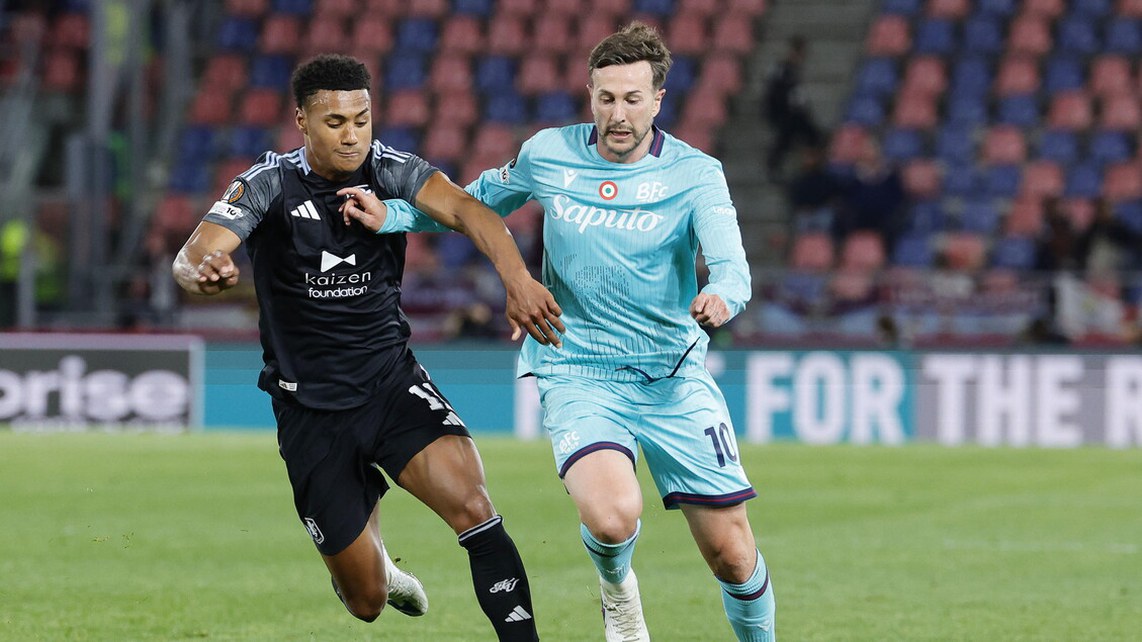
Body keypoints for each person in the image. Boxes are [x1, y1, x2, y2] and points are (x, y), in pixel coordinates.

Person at [347, 23, 777, 642]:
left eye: (633, 99)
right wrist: (392, 214)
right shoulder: (549, 153)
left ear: (658, 100)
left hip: (673, 378)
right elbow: (473, 203)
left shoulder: (696, 173)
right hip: (578, 369)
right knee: (612, 518)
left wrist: (722, 296)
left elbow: (733, 267)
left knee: (733, 557)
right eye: (606, 98)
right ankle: (618, 594)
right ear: (590, 94)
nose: (618, 114)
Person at [171, 54, 563, 641]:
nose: (352, 135)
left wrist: (517, 280)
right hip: (309, 409)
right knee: (367, 602)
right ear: (302, 121)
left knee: (475, 509)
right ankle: (382, 568)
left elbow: (469, 211)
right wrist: (205, 271)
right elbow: (193, 253)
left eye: (361, 119)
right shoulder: (268, 182)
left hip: (391, 385)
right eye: (335, 122)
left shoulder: (393, 170)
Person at [762, 35, 821, 182]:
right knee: (787, 137)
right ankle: (774, 167)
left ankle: (810, 167)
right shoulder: (782, 70)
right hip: (783, 112)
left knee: (810, 136)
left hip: (793, 113)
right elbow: (776, 93)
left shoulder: (792, 70)